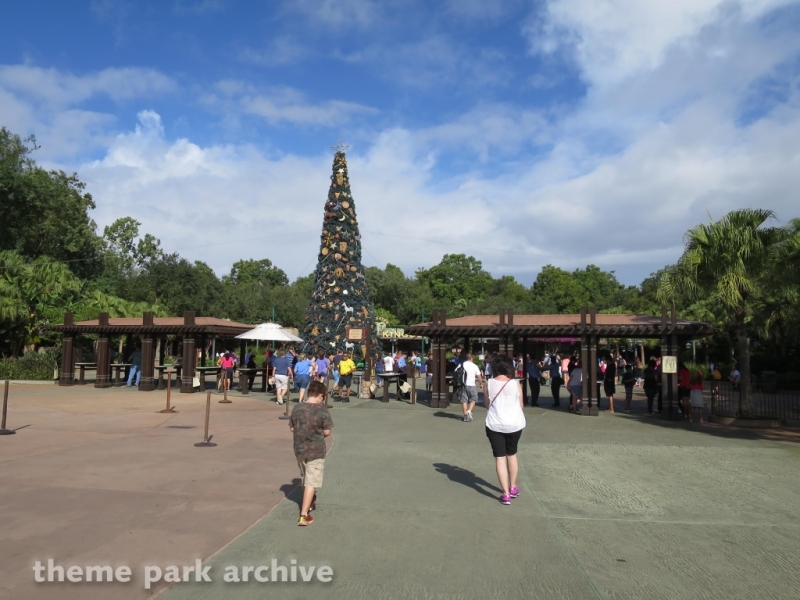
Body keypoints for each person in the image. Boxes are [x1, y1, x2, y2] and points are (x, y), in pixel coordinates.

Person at [484, 354, 526, 506]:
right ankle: (513, 486)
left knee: (500, 458)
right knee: (512, 454)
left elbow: (487, 405)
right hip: (515, 424)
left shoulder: (489, 383)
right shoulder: (515, 384)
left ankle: (505, 494)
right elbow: (521, 405)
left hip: (495, 424)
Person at [289, 380, 333, 526]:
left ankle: (310, 501)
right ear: (320, 395)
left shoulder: (297, 408)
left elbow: (292, 428)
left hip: (299, 448)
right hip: (316, 449)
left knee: (305, 477)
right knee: (311, 481)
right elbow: (327, 431)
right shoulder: (322, 410)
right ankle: (303, 514)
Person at [458, 353, 483, 422]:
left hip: (463, 385)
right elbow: (479, 377)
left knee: (464, 401)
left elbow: (456, 372)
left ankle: (465, 416)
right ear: (472, 358)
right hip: (471, 384)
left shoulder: (461, 364)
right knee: (474, 399)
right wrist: (481, 383)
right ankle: (469, 411)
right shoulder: (474, 366)